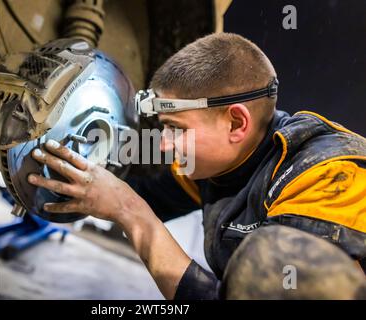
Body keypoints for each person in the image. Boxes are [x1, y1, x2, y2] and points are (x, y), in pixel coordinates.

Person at [26, 33, 366, 299]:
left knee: (266, 256)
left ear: (236, 123)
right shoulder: (219, 164)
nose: (163, 144)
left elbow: (132, 205)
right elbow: (141, 196)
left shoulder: (329, 175)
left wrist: (130, 210)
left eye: (176, 128)